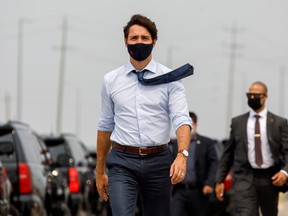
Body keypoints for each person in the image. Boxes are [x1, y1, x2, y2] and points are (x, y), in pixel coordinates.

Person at [96, 14, 192, 216]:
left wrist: (182, 155)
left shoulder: (170, 79)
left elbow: (181, 119)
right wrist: (99, 171)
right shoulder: (111, 80)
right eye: (134, 38)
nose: (139, 42)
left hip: (159, 162)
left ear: (154, 41)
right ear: (125, 42)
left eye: (145, 38)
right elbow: (105, 125)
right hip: (122, 161)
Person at [215, 81, 288, 216]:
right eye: (249, 94)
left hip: (270, 178)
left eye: (256, 95)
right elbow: (227, 154)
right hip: (244, 177)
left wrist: (285, 172)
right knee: (246, 213)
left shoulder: (279, 123)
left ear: (265, 97)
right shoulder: (237, 122)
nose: (252, 98)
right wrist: (220, 179)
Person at [171, 111, 218, 216]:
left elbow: (214, 164)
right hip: (179, 190)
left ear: (196, 125)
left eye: (190, 124)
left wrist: (209, 183)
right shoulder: (176, 144)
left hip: (198, 191)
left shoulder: (206, 143)